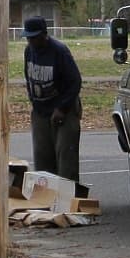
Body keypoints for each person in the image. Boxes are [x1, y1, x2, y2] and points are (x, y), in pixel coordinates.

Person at [22, 16, 83, 182]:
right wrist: (34, 104)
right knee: (42, 158)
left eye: (34, 37)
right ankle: (46, 200)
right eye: (28, 37)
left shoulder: (59, 51)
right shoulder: (28, 51)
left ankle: (68, 200)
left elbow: (75, 81)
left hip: (64, 110)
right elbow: (29, 78)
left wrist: (62, 109)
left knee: (65, 159)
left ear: (44, 34)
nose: (31, 41)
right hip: (41, 110)